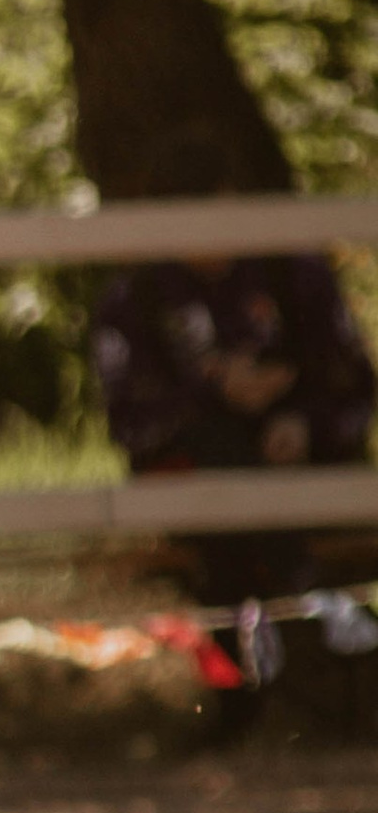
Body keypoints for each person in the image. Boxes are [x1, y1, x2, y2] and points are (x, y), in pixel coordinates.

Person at [93, 238, 375, 614]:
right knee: (216, 449)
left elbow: (354, 390)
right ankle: (303, 594)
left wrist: (305, 424)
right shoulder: (135, 297)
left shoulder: (293, 274)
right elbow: (130, 425)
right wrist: (213, 392)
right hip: (198, 490)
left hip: (305, 475)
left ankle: (306, 610)